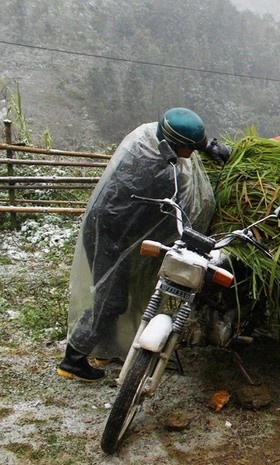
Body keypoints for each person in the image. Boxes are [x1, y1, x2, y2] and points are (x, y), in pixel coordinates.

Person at [57, 108, 220, 381]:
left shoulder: (149, 137)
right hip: (108, 233)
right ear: (171, 146)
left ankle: (102, 349)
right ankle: (72, 359)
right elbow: (170, 216)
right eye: (188, 148)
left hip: (119, 230)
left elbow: (186, 137)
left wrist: (210, 147)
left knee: (114, 294)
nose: (192, 153)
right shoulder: (156, 172)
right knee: (111, 299)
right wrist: (189, 236)